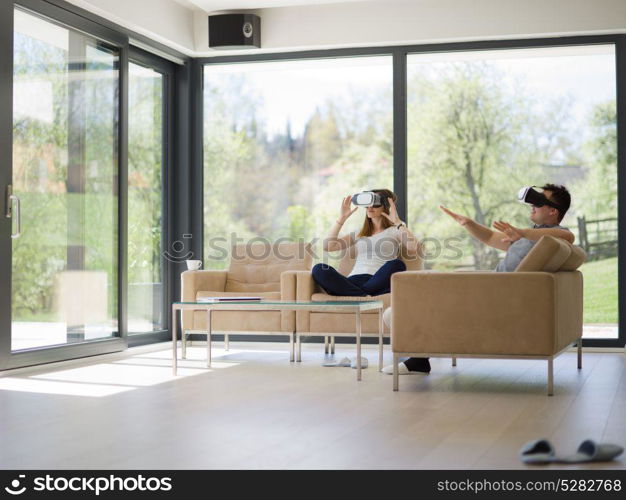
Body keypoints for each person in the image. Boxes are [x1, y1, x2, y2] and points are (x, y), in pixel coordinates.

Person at [382, 183, 574, 375]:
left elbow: (567, 235)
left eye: (539, 202)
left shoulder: (551, 237)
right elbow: (491, 237)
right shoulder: (534, 237)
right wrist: (469, 224)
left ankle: (418, 359)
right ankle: (418, 358)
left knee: (399, 310)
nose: (532, 204)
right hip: (490, 289)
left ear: (553, 211)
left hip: (491, 294)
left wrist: (522, 233)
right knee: (397, 311)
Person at [311, 189, 420, 297]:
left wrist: (397, 222)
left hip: (377, 280)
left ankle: (354, 294)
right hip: (352, 281)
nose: (370, 207)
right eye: (368, 204)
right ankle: (363, 295)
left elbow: (413, 247)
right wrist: (342, 218)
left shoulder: (396, 229)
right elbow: (328, 246)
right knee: (318, 269)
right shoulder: (360, 232)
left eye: (375, 203)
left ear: (386, 206)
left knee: (397, 264)